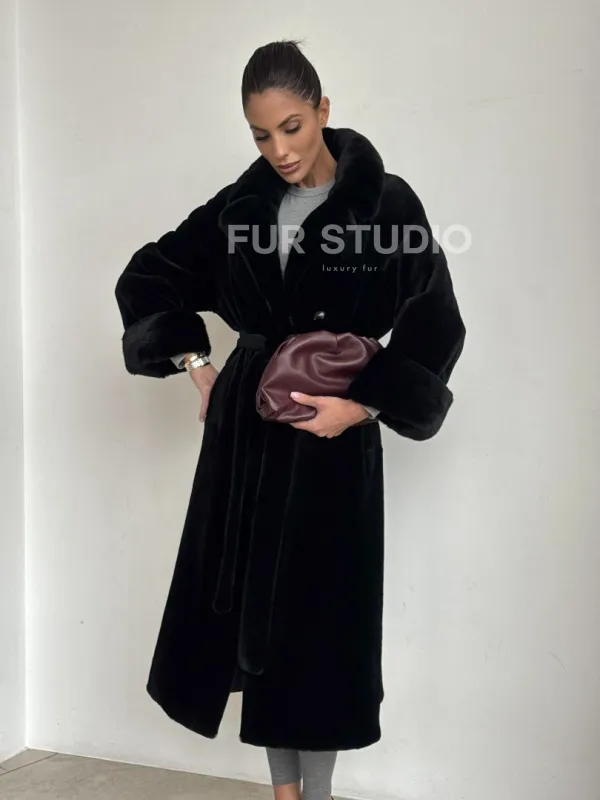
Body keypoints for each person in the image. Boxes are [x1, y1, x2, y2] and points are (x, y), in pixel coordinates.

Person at [115, 38, 465, 800]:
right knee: (257, 621)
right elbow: (146, 277)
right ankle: (282, 793)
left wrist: (362, 405)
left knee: (323, 628)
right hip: (247, 439)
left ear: (323, 110)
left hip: (334, 445)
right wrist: (196, 364)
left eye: (293, 127)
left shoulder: (385, 205)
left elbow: (437, 319)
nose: (279, 149)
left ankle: (319, 794)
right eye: (261, 135)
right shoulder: (238, 210)